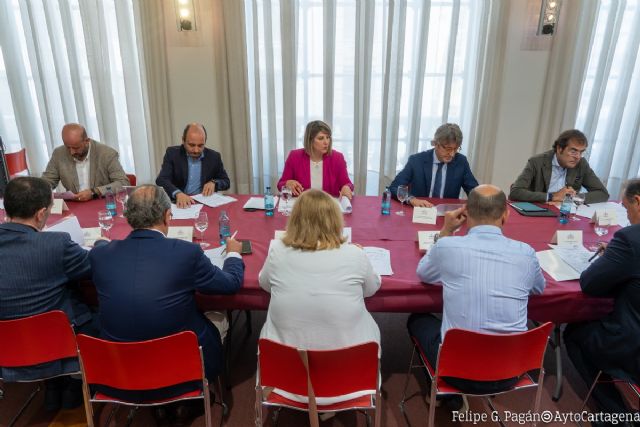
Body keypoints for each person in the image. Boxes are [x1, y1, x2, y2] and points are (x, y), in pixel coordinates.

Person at [89, 184, 244, 402]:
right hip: (183, 369)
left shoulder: (100, 255)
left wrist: (101, 243)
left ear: (128, 216)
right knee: (218, 316)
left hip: (118, 371)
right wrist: (233, 255)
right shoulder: (186, 252)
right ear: (167, 216)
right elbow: (229, 285)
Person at [407, 184, 545, 408]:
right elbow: (539, 288)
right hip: (512, 370)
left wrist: (445, 231)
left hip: (456, 371)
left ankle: (448, 397)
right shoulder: (526, 253)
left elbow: (424, 274)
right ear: (506, 215)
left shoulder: (447, 246)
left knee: (417, 319)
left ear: (466, 212)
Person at [259, 189, 380, 403]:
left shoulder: (277, 251)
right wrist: (357, 257)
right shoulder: (355, 255)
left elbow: (264, 284)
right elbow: (371, 289)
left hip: (285, 380)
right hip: (351, 380)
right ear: (336, 221)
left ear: (295, 220)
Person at [0, 177, 102, 411]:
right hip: (58, 343)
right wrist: (102, 246)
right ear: (41, 213)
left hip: (6, 348)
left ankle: (56, 386)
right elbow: (93, 267)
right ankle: (76, 381)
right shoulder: (55, 244)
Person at [564, 178, 640, 422]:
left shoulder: (631, 238)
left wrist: (612, 261)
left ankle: (614, 413)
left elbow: (590, 283)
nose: (627, 217)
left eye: (626, 209)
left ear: (637, 202)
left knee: (574, 332)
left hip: (632, 341)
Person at [389, 123, 478, 208]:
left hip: (447, 215)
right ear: (436, 144)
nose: (452, 154)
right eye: (448, 149)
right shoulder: (416, 161)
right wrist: (411, 199)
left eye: (455, 149)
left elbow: (475, 192)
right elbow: (394, 187)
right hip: (420, 213)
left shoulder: (461, 162)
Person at [509, 129, 609, 204]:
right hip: (538, 210)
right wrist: (552, 196)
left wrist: (571, 198)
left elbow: (602, 193)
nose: (578, 157)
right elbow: (515, 192)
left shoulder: (581, 164)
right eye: (573, 151)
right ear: (559, 149)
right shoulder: (537, 162)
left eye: (581, 152)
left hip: (563, 213)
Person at [41, 123, 130, 201]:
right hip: (74, 206)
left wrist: (94, 192)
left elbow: (123, 183)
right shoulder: (58, 154)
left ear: (87, 141)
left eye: (76, 148)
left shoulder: (107, 154)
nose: (72, 152)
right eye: (68, 147)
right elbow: (47, 181)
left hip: (101, 203)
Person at [156, 123, 231, 208]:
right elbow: (161, 179)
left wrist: (214, 183)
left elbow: (226, 181)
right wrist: (177, 193)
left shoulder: (214, 157)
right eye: (191, 145)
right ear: (183, 141)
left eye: (200, 145)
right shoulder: (172, 154)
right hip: (179, 203)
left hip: (203, 203)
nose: (196, 150)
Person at [277, 120, 354, 199]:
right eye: (321, 138)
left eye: (328, 137)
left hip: (329, 207)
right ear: (310, 140)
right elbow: (280, 185)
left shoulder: (337, 158)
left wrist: (346, 187)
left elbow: (348, 184)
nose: (326, 142)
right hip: (302, 206)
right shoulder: (294, 156)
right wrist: (287, 183)